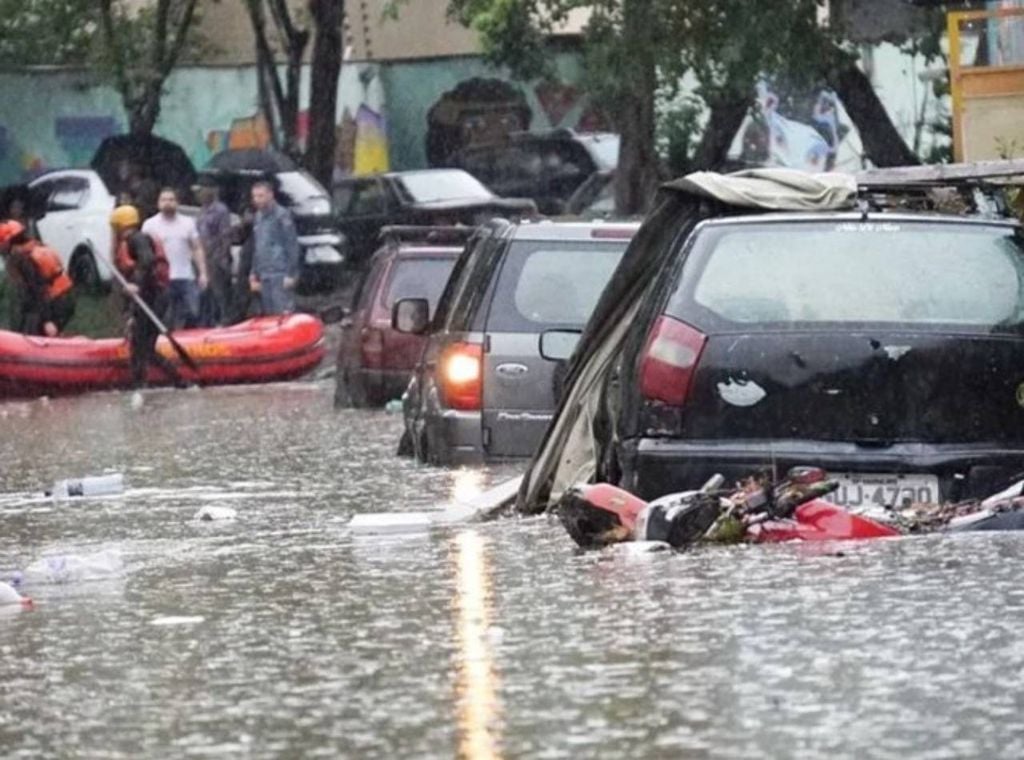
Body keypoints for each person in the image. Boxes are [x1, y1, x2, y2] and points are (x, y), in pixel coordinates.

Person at [109, 205, 183, 389]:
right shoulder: (132, 241)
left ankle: (179, 382)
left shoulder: (137, 239)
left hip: (154, 297)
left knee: (143, 346)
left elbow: (148, 260)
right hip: (148, 298)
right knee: (138, 345)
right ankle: (140, 383)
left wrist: (137, 284)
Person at [142, 188, 208, 330]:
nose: (168, 203)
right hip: (163, 279)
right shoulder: (149, 225)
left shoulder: (188, 222)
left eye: (171, 200)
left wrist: (202, 273)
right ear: (158, 203)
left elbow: (197, 248)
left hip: (186, 276)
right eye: (164, 200)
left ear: (177, 203)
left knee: (193, 312)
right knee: (166, 316)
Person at [0, 220, 75, 336]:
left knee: (30, 334)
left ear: (7, 242)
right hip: (66, 299)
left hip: (54, 303)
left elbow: (37, 289)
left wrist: (47, 320)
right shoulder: (35, 246)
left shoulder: (21, 258)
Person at [250, 180, 300, 315]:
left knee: (283, 314)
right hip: (264, 273)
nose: (257, 200)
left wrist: (291, 274)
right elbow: (258, 246)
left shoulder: (282, 215)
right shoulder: (258, 217)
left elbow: (291, 245)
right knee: (268, 316)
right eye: (254, 196)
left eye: (260, 196)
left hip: (280, 272)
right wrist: (253, 273)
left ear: (270, 195)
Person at [196, 182, 233, 326]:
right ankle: (208, 320)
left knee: (220, 292)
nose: (200, 194)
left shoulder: (221, 210)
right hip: (204, 256)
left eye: (203, 190)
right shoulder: (202, 210)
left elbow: (225, 235)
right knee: (206, 292)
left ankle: (224, 320)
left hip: (216, 257)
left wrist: (222, 257)